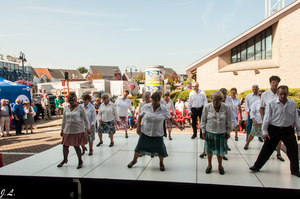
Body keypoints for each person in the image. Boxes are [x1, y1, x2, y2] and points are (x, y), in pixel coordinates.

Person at [250, 86, 300, 177]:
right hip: (274, 129)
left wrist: (299, 131)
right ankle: (257, 166)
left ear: (287, 93)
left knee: (293, 150)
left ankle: (295, 170)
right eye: (281, 94)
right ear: (277, 94)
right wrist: (264, 131)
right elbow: (267, 117)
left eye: (285, 94)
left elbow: (296, 118)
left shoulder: (292, 103)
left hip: (288, 130)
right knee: (267, 149)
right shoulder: (271, 103)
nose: (283, 96)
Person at [127, 92, 184, 171]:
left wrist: (178, 125)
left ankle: (161, 163)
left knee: (160, 149)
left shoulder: (163, 109)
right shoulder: (147, 107)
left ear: (159, 100)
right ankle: (134, 161)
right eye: (153, 100)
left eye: (156, 101)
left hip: (157, 133)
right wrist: (138, 127)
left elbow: (170, 118)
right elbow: (140, 116)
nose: (154, 102)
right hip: (146, 131)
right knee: (139, 147)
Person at [200, 91, 232, 175]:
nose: (215, 102)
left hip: (222, 132)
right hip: (210, 131)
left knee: (220, 151)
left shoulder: (226, 107)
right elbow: (203, 120)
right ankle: (209, 165)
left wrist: (228, 132)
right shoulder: (207, 107)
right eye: (214, 100)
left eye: (217, 101)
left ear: (221, 100)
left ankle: (220, 166)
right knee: (209, 150)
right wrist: (203, 131)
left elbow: (229, 121)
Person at [58, 92, 90, 169]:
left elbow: (85, 119)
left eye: (73, 100)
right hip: (67, 129)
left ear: (75, 100)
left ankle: (80, 160)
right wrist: (62, 129)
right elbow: (64, 120)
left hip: (77, 129)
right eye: (70, 100)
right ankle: (65, 159)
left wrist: (88, 128)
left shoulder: (80, 108)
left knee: (76, 146)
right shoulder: (66, 108)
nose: (71, 102)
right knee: (65, 146)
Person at [260, 75, 284, 161]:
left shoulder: (280, 94)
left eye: (277, 82)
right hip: (269, 120)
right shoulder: (265, 94)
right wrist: (263, 119)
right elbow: (261, 108)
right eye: (273, 82)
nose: (275, 84)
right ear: (270, 83)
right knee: (268, 138)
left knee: (279, 137)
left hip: (278, 119)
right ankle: (265, 156)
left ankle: (278, 153)